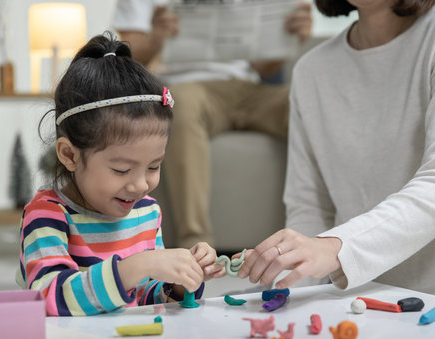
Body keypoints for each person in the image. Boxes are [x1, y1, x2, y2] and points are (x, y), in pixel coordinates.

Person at [238, 0, 435, 309]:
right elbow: (311, 208)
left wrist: (336, 249)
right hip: (368, 304)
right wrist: (281, 289)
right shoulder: (313, 70)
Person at [17, 33, 224, 316]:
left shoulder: (147, 212)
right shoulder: (47, 215)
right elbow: (49, 300)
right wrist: (138, 265)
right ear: (69, 155)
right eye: (122, 169)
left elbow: (143, 299)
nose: (141, 185)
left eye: (154, 166)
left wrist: (177, 282)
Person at [113, 0, 313, 249]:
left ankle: (327, 232)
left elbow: (263, 66)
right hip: (186, 88)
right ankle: (195, 244)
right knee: (181, 103)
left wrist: (287, 38)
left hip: (247, 86)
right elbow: (126, 57)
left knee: (310, 101)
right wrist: (156, 38)